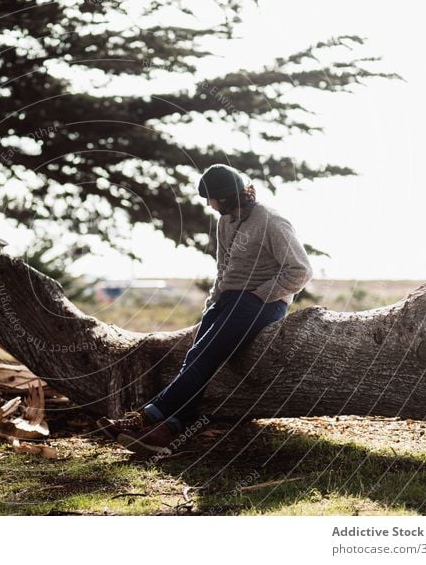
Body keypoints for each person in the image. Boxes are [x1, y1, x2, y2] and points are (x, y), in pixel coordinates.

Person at [97, 163, 314, 456]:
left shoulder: (273, 221)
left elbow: (300, 271)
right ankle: (167, 430)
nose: (209, 205)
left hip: (262, 304)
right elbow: (223, 268)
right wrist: (213, 303)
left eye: (212, 199)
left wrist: (259, 294)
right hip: (228, 301)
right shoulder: (226, 221)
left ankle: (146, 417)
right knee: (196, 357)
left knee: (204, 356)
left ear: (226, 196)